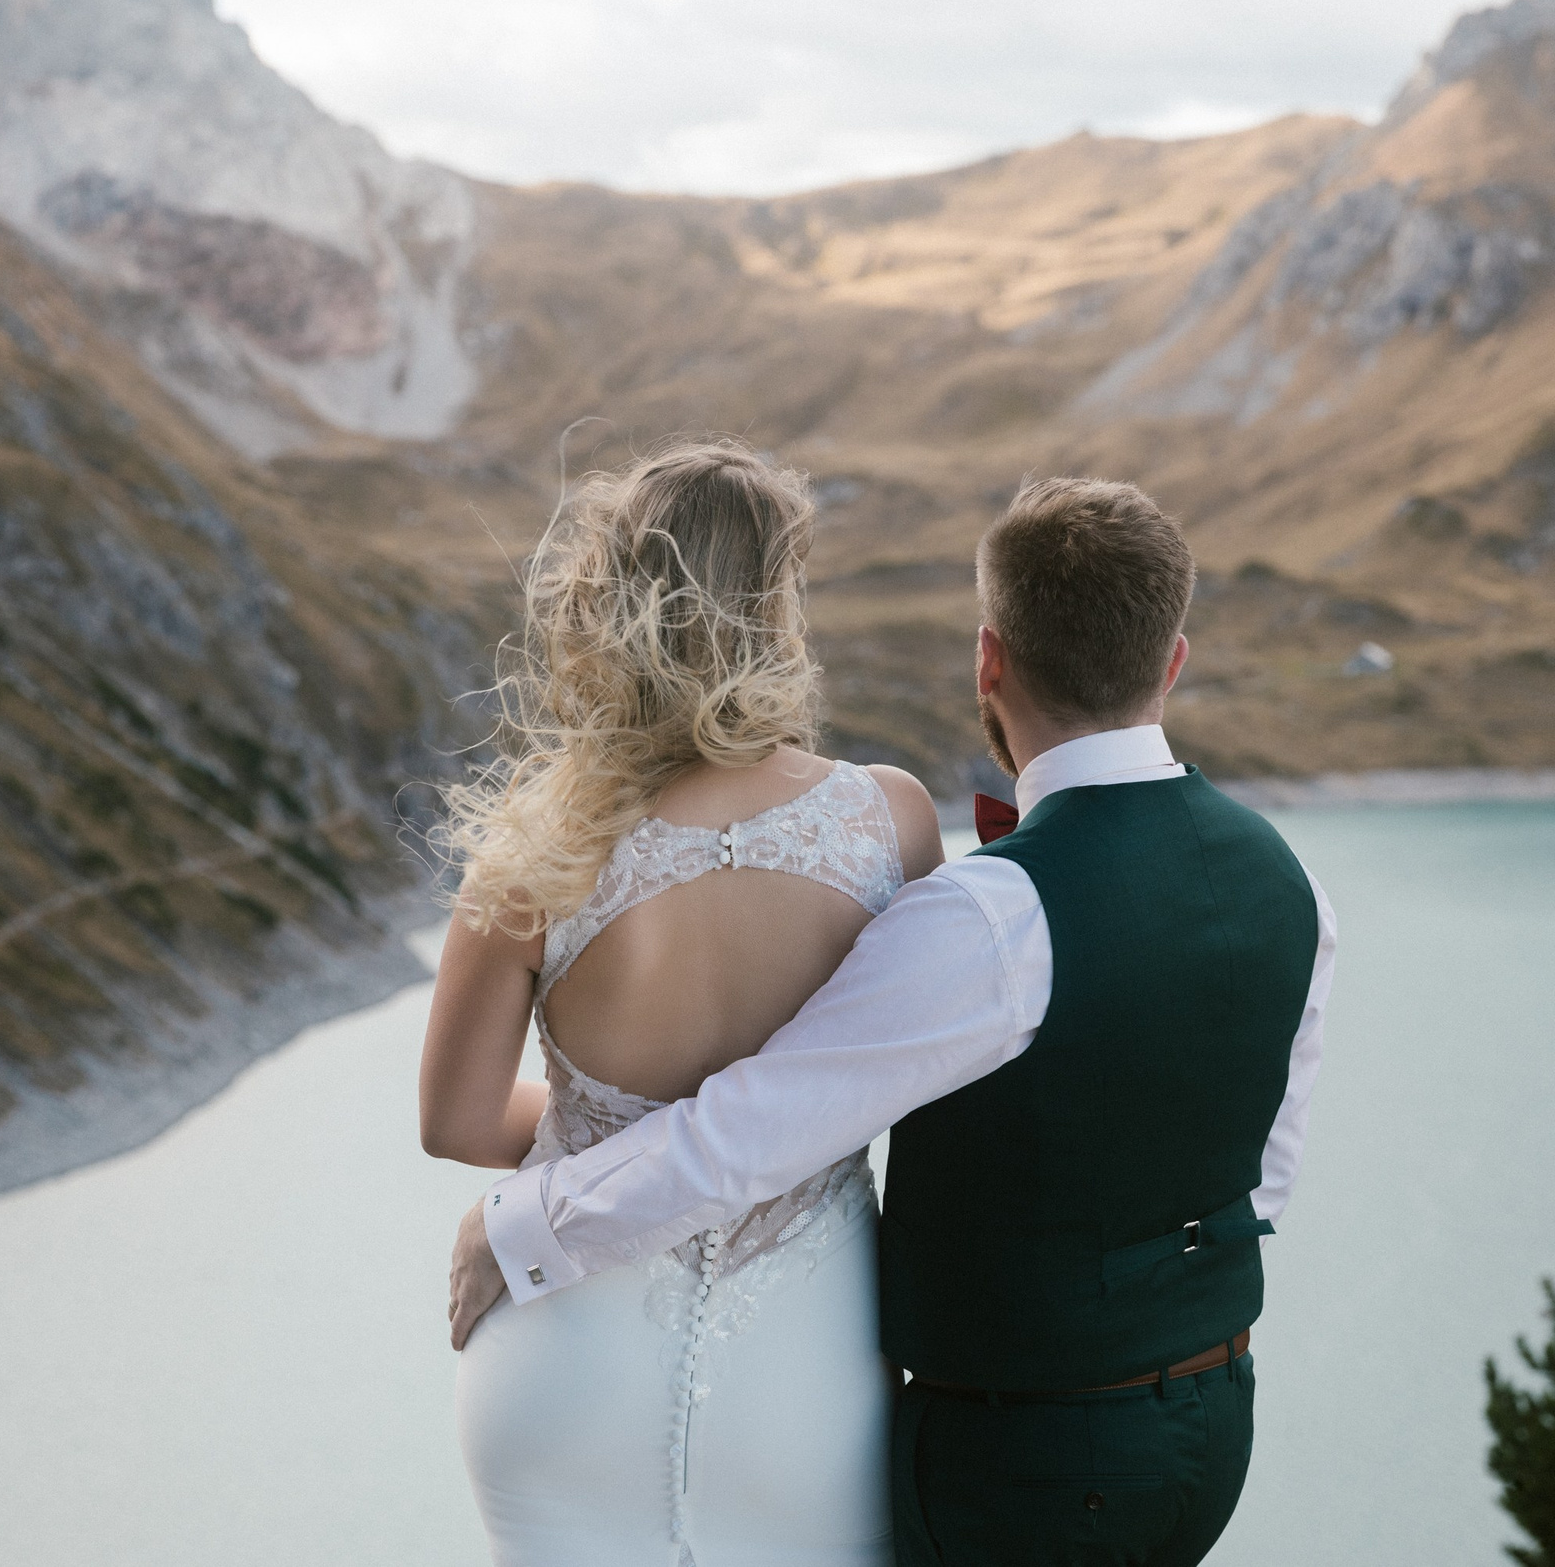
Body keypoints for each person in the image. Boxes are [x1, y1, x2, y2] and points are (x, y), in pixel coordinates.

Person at [449, 475, 1339, 1567]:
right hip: (1204, 1431)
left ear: (988, 660)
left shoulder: (992, 914)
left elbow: (759, 1126)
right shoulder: (1289, 884)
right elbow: (1259, 1171)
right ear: (1172, 660)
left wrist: (525, 1227)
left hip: (1014, 1458)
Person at [420, 443, 942, 1565]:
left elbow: (456, 1124)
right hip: (807, 1363)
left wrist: (601, 1143)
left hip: (561, 1354)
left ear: (601, 600)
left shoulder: (534, 849)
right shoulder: (887, 825)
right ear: (775, 604)